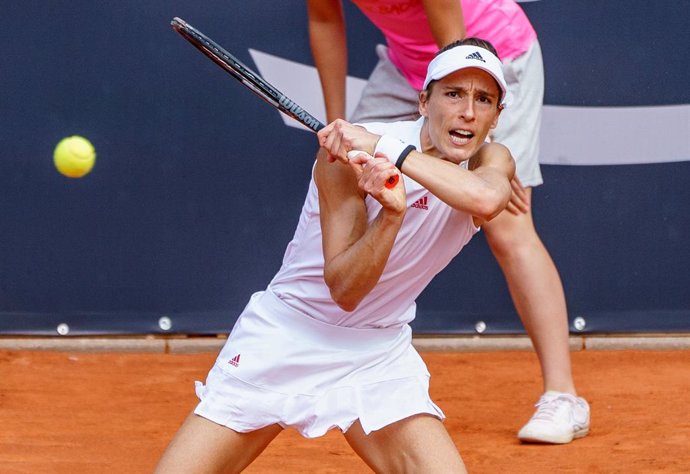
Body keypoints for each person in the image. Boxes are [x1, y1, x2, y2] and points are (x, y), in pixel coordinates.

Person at [155, 39, 514, 473]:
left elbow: (486, 199)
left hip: (376, 351)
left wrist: (389, 150)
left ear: (497, 116)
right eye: (453, 94)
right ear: (424, 100)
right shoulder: (344, 156)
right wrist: (390, 216)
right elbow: (345, 288)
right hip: (287, 334)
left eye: (484, 99)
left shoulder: (489, 160)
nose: (468, 112)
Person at [307, 0, 590, 444]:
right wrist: (337, 126)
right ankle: (326, 354)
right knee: (350, 179)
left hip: (486, 59)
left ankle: (563, 396)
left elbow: (457, 54)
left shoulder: (472, 94)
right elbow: (324, 19)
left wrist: (481, 149)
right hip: (407, 68)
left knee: (505, 221)